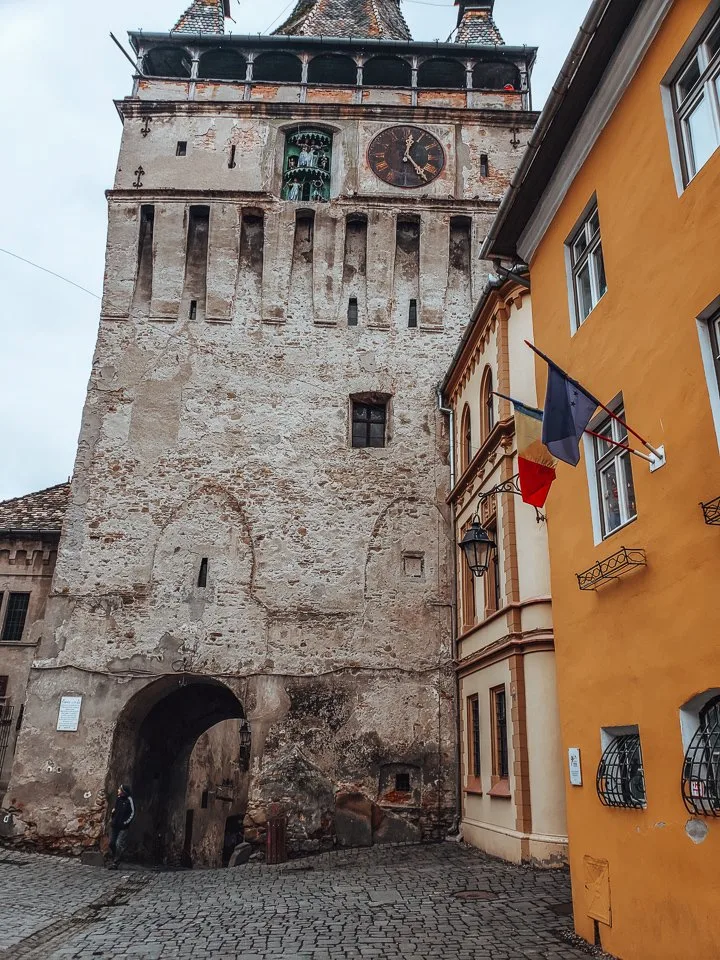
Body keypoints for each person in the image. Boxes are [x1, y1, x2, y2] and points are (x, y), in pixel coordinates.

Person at [107, 784, 135, 869]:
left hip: (123, 827)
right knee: (111, 843)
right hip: (115, 825)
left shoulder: (129, 800)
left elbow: (132, 813)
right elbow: (115, 810)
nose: (118, 790)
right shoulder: (118, 799)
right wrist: (113, 816)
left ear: (123, 791)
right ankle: (116, 856)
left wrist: (125, 823)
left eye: (119, 789)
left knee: (118, 843)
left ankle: (116, 862)